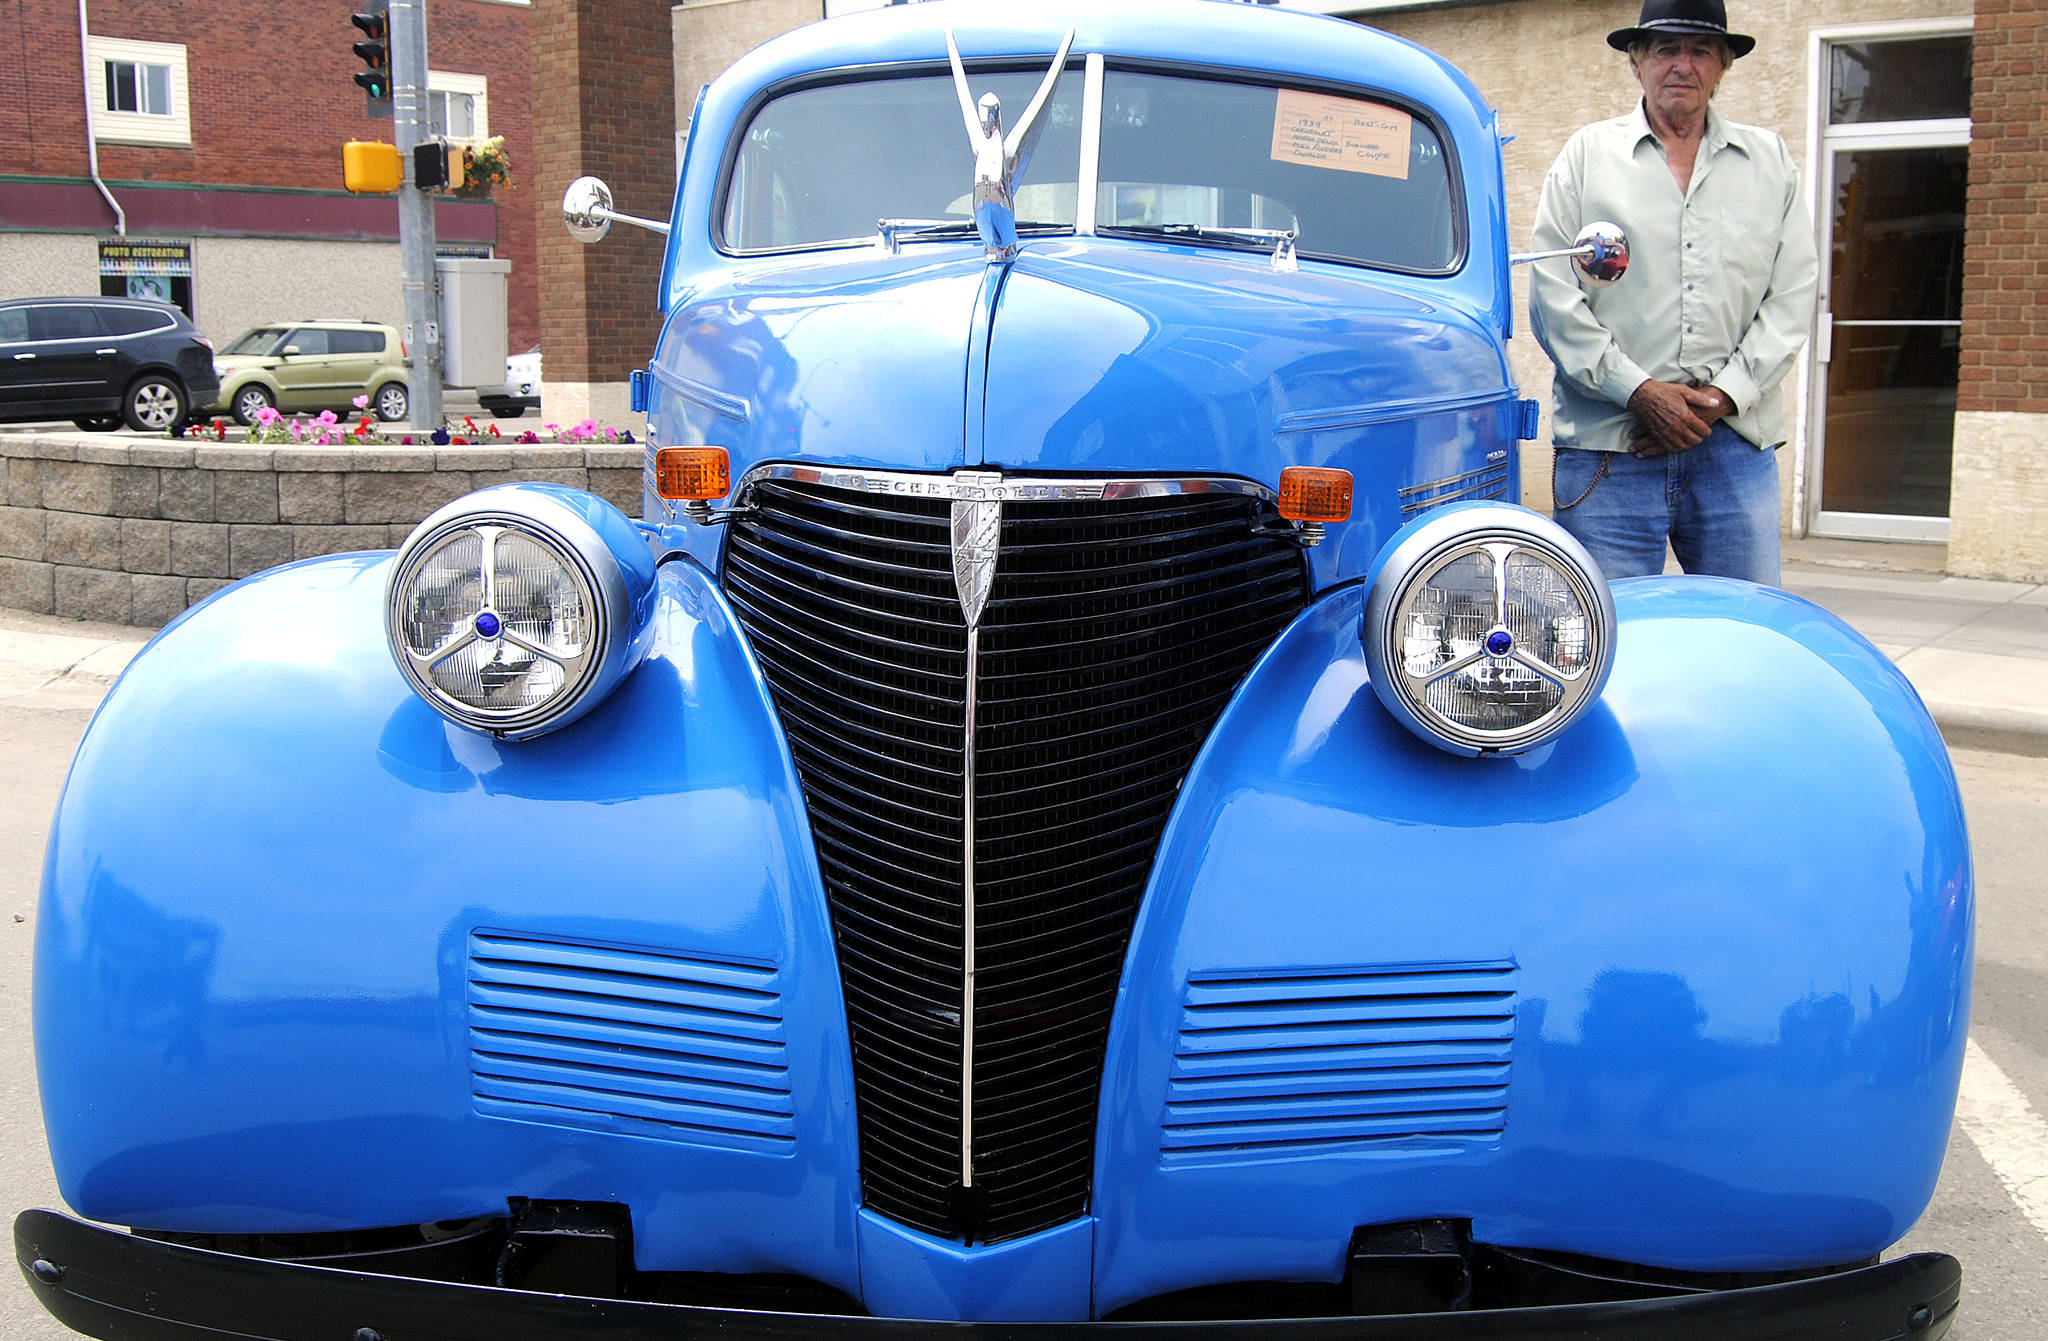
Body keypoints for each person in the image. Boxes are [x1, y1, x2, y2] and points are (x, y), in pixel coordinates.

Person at [1529, 0, 1817, 585]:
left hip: (1733, 448)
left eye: (1700, 49)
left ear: (1723, 65)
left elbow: (1792, 295)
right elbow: (1551, 293)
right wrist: (1637, 391)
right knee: (1609, 644)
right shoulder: (1586, 157)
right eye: (1665, 48)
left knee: (1744, 634)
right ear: (1636, 60)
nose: (1681, 65)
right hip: (1611, 447)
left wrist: (1724, 395)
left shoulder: (1771, 162)